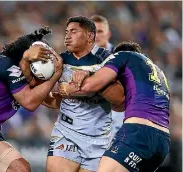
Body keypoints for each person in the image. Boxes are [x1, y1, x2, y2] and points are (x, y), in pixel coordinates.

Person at [20, 16, 125, 172]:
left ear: (90, 36)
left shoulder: (107, 61)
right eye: (66, 32)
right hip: (66, 133)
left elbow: (120, 99)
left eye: (74, 31)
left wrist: (88, 82)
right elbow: (49, 99)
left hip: (99, 140)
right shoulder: (59, 62)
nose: (67, 36)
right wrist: (50, 94)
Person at [0, 27, 63, 172]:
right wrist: (56, 75)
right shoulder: (6, 64)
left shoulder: (16, 72)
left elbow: (46, 99)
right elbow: (30, 102)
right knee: (19, 168)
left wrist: (73, 97)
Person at [69, 41, 171, 172]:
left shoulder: (122, 56)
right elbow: (122, 104)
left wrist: (78, 80)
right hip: (162, 143)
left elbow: (91, 85)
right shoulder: (159, 73)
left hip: (138, 133)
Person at [90, 14, 124, 138]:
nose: (97, 36)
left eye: (100, 31)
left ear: (108, 34)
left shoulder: (121, 57)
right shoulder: (78, 58)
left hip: (117, 117)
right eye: (93, 32)